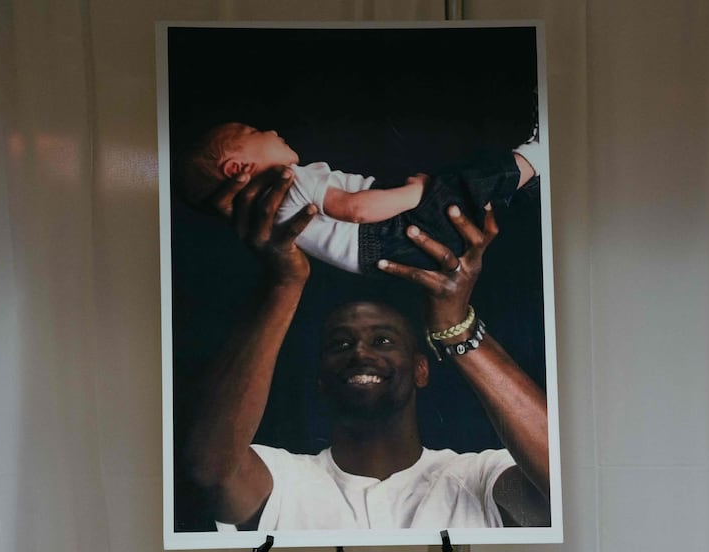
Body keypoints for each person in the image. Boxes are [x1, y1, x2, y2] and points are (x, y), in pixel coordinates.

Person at [183, 167, 551, 531]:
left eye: (383, 340)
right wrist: (286, 282)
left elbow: (564, 486)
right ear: (320, 379)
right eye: (340, 343)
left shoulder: (480, 479)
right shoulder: (283, 480)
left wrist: (455, 327)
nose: (360, 353)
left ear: (421, 369)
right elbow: (211, 472)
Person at [179, 122, 543, 276]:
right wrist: (418, 192)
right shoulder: (291, 180)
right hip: (385, 231)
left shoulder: (267, 212)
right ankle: (534, 158)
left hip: (379, 256)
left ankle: (526, 176)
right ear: (236, 167)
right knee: (459, 185)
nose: (272, 131)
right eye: (256, 132)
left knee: (468, 196)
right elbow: (356, 210)